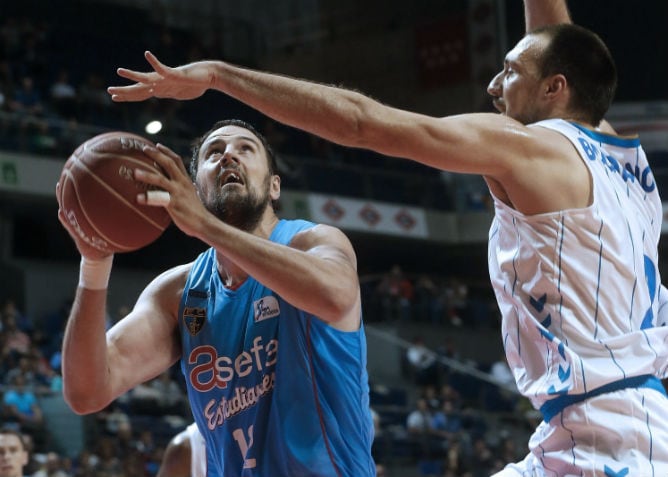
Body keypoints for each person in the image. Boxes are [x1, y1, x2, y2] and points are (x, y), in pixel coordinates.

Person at [106, 0, 668, 475]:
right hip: (621, 422)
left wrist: (219, 77)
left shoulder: (526, 146)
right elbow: (557, 44)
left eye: (510, 72)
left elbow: (359, 121)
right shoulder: (616, 151)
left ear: (554, 88)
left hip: (604, 441)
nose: (494, 85)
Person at [57, 117, 375, 477]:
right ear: (195, 190)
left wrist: (206, 227)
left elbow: (335, 296)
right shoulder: (179, 293)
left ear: (274, 186)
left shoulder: (313, 242)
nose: (228, 156)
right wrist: (94, 262)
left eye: (245, 148)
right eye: (214, 152)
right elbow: (86, 392)